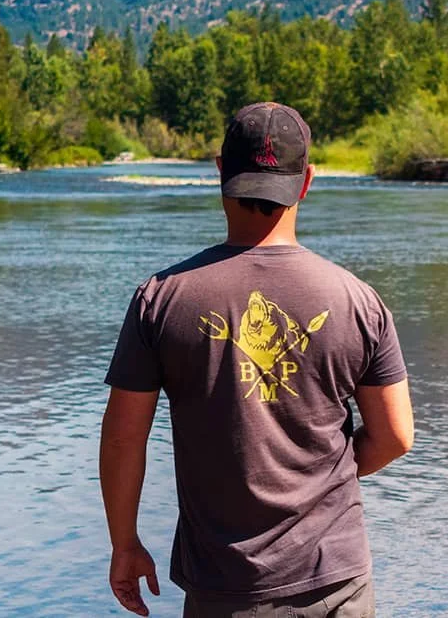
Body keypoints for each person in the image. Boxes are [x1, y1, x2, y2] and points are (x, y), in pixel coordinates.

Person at [100, 102, 415, 618]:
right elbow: (397, 435)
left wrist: (125, 542)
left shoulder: (160, 298)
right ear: (307, 181)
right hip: (337, 579)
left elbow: (122, 437)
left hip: (226, 585)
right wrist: (322, 482)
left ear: (221, 172)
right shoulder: (358, 300)